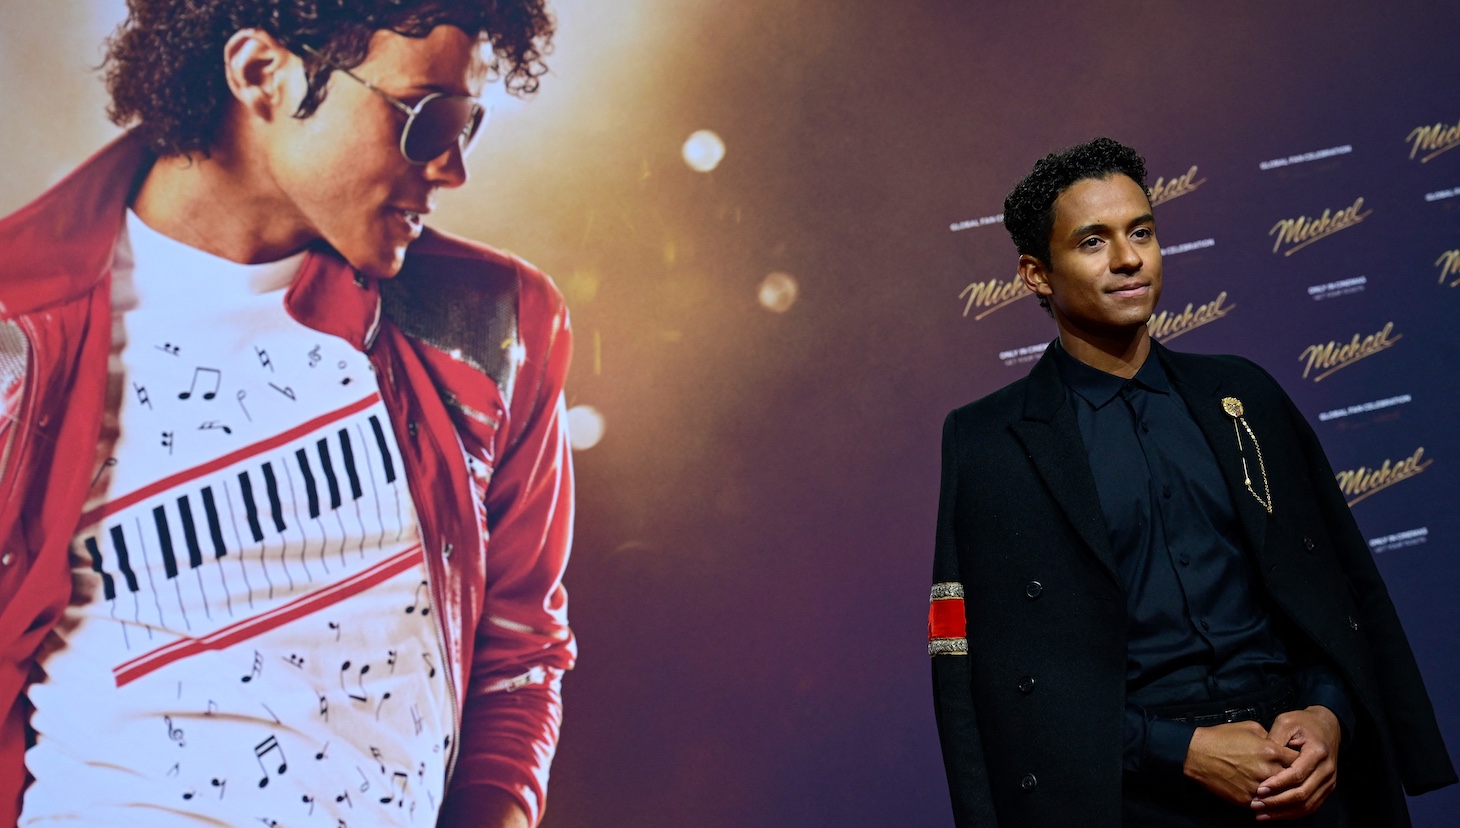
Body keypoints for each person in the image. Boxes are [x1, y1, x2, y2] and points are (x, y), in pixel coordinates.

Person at [0, 2, 575, 826]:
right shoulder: (16, 334)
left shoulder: (493, 327)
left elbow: (517, 664)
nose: (453, 169)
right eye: (427, 119)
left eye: (469, 123)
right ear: (261, 74)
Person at [928, 137, 1455, 826]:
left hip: (1305, 777)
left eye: (1140, 232)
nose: (1128, 259)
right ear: (1036, 274)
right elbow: (993, 678)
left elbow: (1338, 588)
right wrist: (1182, 750)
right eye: (1093, 241)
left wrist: (1328, 712)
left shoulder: (1246, 396)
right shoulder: (991, 443)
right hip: (1134, 789)